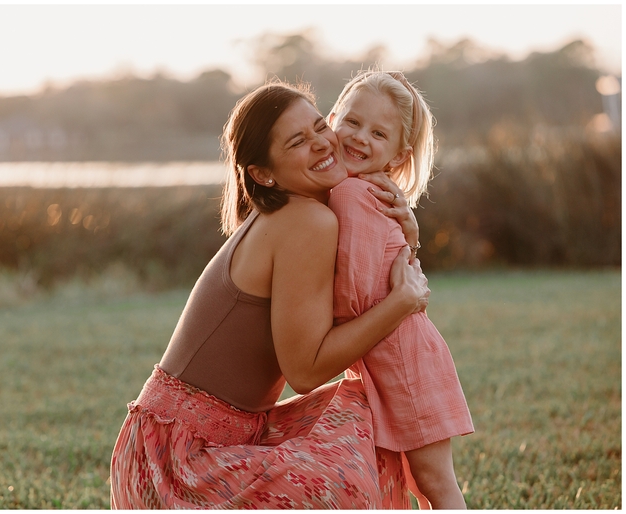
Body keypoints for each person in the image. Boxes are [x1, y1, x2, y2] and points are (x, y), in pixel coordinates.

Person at [109, 81, 430, 509]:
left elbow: (365, 289)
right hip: (176, 462)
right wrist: (400, 305)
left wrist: (407, 235)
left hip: (200, 439)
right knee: (343, 476)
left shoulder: (303, 211)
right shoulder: (307, 221)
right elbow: (306, 371)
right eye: (298, 141)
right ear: (263, 174)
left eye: (320, 126)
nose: (321, 143)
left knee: (366, 412)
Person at [327, 69, 474, 509]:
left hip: (403, 359)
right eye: (352, 122)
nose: (359, 138)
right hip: (394, 351)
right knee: (424, 485)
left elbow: (352, 295)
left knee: (434, 484)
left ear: (398, 155)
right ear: (332, 119)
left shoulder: (350, 194)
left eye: (378, 133)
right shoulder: (353, 190)